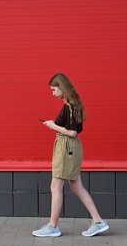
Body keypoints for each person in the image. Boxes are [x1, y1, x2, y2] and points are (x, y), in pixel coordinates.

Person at [32, 73, 109, 237]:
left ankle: (53, 227)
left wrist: (52, 125)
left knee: (56, 186)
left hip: (66, 147)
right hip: (70, 148)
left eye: (54, 90)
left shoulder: (70, 106)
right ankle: (98, 222)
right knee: (76, 186)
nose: (53, 93)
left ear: (62, 87)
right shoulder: (72, 105)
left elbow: (72, 132)